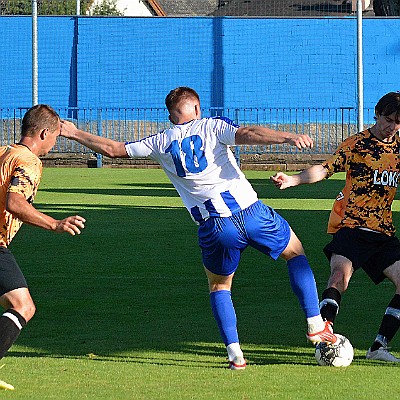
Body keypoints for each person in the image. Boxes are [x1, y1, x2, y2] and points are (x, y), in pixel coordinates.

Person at [60, 86, 336, 369]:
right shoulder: (213, 127)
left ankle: (235, 355)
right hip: (252, 213)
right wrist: (288, 137)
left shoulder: (160, 141)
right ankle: (315, 323)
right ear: (197, 108)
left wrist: (72, 132)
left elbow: (113, 150)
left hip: (214, 226)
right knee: (295, 253)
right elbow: (249, 133)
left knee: (219, 286)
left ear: (170, 116)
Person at [271, 91, 400, 362]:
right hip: (351, 226)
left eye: (398, 123)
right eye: (389, 120)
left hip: (383, 232)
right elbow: (325, 169)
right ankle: (325, 331)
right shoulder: (357, 145)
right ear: (376, 115)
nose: (393, 127)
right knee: (339, 278)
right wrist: (293, 180)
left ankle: (379, 347)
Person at [0, 105, 86, 367]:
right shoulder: (29, 161)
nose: (55, 142)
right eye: (56, 136)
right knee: (23, 306)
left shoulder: (4, 151)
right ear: (44, 133)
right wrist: (54, 224)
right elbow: (14, 202)